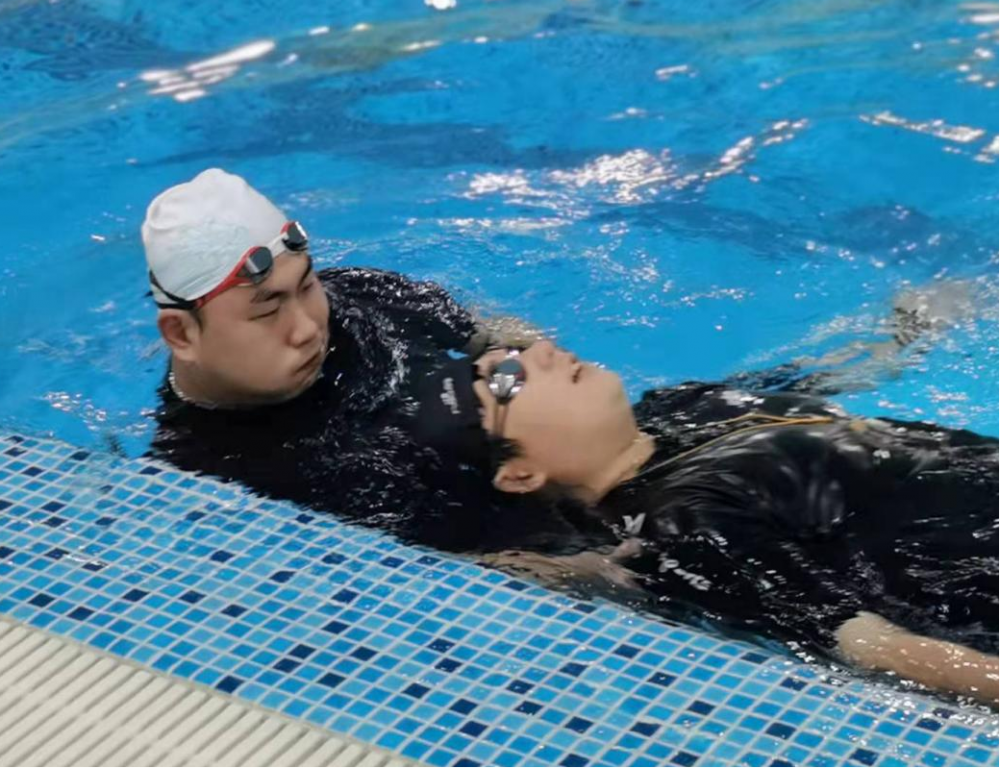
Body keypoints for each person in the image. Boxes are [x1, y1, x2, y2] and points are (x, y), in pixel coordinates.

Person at [409, 335, 1000, 705]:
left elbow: (831, 376)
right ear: (518, 475)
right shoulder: (681, 531)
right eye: (506, 381)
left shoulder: (682, 406)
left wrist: (910, 328)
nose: (538, 352)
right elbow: (877, 647)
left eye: (514, 351)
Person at [143, 168, 535, 532]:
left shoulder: (368, 294)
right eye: (268, 310)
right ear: (181, 334)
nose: (308, 329)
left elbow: (517, 343)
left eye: (307, 285)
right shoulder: (200, 482)